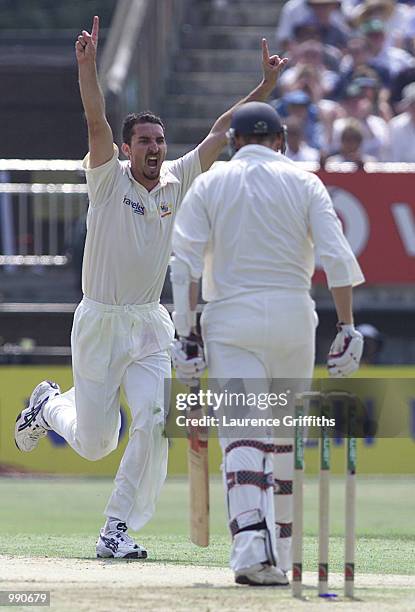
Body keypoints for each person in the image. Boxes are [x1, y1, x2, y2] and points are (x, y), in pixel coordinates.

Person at [14, 16, 287, 559]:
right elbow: (95, 123)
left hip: (148, 323)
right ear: (128, 148)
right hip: (99, 320)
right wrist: (86, 67)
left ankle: (115, 528)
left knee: (155, 419)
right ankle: (48, 407)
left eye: (160, 141)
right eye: (145, 142)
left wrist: (264, 90)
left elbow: (219, 134)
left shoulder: (176, 181)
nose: (156, 149)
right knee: (96, 444)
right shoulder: (108, 177)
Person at [170, 102, 364, 585]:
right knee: (281, 439)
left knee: (242, 434)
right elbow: (337, 257)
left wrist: (185, 333)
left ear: (234, 141)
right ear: (281, 141)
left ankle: (252, 551)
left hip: (231, 318)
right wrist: (347, 329)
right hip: (294, 320)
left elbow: (184, 263)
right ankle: (281, 547)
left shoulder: (212, 182)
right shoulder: (304, 182)